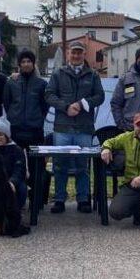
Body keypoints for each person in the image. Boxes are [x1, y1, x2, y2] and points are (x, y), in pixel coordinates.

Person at [45, 41, 105, 213]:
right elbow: (49, 95)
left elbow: (100, 96)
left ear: (84, 55)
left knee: (82, 166)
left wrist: (82, 104)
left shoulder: (93, 75)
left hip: (84, 128)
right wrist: (65, 107)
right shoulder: (58, 74)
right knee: (59, 165)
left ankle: (83, 199)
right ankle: (59, 199)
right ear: (68, 54)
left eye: (79, 53)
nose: (76, 55)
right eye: (73, 52)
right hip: (62, 128)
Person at [3, 49, 48, 190]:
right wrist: (14, 117)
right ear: (19, 64)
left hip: (35, 131)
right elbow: (7, 102)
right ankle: (18, 196)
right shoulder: (11, 83)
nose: (26, 64)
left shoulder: (41, 84)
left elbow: (44, 106)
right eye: (23, 61)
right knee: (17, 165)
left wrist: (37, 119)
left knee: (37, 166)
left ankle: (36, 199)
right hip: (15, 130)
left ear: (33, 64)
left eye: (29, 61)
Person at [0, 117, 28, 209]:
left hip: (11, 180)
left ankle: (15, 214)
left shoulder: (17, 150)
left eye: (0, 135)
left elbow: (19, 170)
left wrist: (12, 182)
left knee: (22, 188)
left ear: (7, 135)